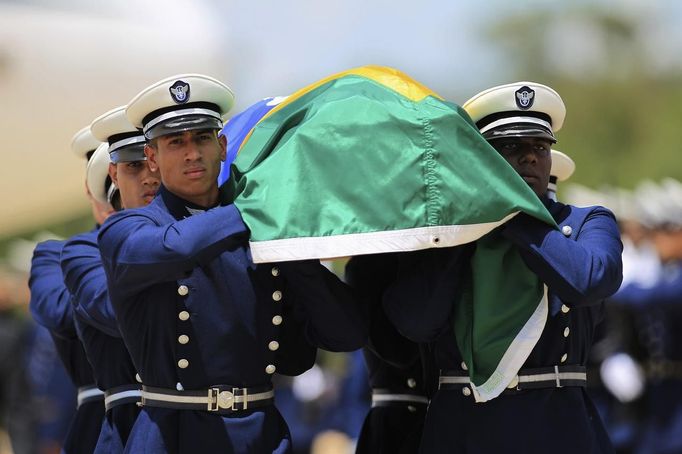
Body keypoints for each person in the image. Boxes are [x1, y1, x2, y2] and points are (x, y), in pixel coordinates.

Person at [97, 74, 367, 454]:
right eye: (176, 142)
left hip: (262, 437)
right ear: (152, 159)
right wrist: (258, 207)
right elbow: (175, 248)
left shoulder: (260, 227)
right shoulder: (128, 230)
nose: (192, 153)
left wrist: (289, 246)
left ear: (222, 146)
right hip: (174, 436)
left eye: (203, 138)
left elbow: (346, 334)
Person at [381, 82, 623, 453]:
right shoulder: (449, 233)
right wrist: (468, 223)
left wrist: (510, 212)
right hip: (465, 430)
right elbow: (416, 322)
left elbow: (590, 280)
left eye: (540, 148)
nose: (530, 158)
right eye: (511, 147)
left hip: (558, 429)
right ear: (480, 161)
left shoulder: (586, 222)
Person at [60, 106, 161, 454]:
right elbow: (117, 314)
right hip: (129, 426)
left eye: (156, 166)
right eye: (134, 167)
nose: (150, 178)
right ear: (113, 181)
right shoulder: (82, 253)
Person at [28, 127, 111, 454]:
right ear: (89, 189)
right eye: (106, 180)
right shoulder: (58, 255)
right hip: (97, 427)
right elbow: (58, 312)